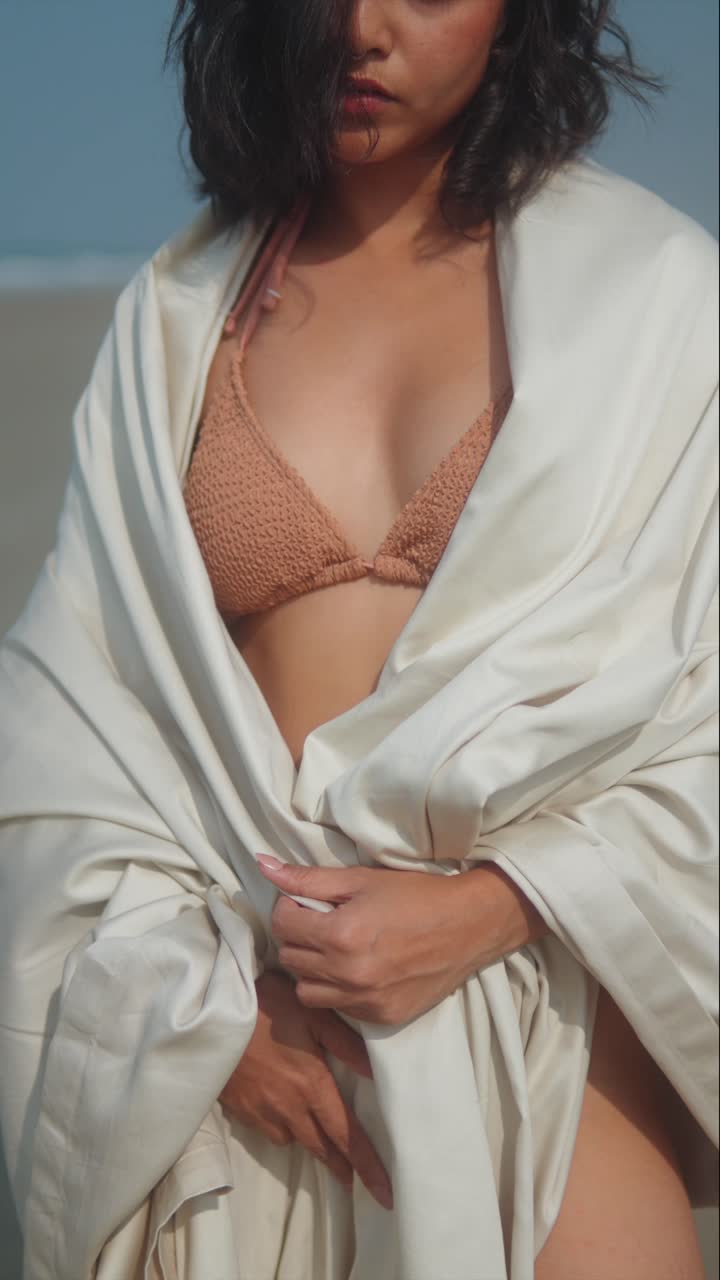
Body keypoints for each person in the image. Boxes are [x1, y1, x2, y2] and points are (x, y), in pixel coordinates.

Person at [0, 2, 717, 1278]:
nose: (365, 30)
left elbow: (703, 702)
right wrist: (205, 1023)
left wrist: (492, 907)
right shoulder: (176, 317)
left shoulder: (654, 297)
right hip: (257, 1052)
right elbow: (65, 735)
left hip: (555, 1029)